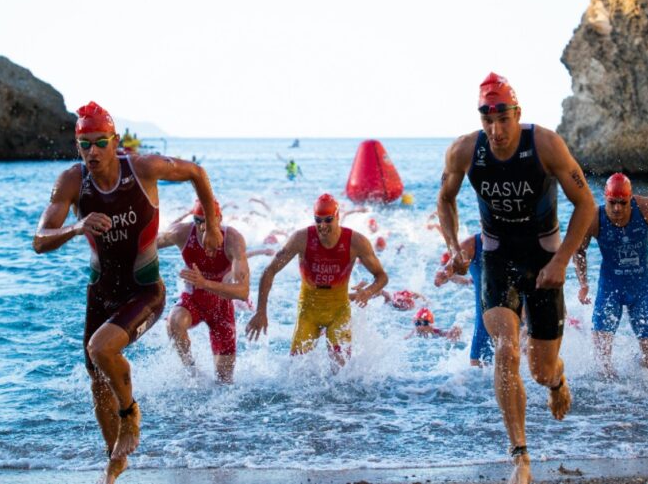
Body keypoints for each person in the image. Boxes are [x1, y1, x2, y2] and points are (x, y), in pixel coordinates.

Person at [32, 102, 222, 484]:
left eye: (101, 142)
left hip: (145, 290)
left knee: (101, 349)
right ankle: (114, 461)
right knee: (96, 377)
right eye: (85, 145)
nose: (93, 152)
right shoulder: (72, 181)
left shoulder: (143, 168)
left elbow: (197, 173)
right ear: (77, 146)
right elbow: (39, 239)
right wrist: (76, 227)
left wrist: (213, 226)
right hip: (100, 292)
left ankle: (130, 414)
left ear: (115, 141)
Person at [436, 73, 596, 484]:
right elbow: (445, 199)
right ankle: (520, 455)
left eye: (503, 119)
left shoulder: (544, 144)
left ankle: (557, 380)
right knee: (506, 349)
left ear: (517, 114)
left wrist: (561, 261)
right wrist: (454, 247)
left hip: (544, 258)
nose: (496, 129)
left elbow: (586, 204)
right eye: (487, 120)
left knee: (540, 370)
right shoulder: (464, 151)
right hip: (497, 256)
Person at [245, 193, 388, 368]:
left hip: (339, 312)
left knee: (342, 374)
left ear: (337, 217)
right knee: (296, 371)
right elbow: (269, 272)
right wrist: (261, 312)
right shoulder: (301, 239)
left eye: (328, 220)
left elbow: (381, 277)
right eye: (318, 220)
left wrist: (367, 292)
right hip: (308, 312)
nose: (322, 225)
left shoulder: (356, 242)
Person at [574, 173, 648, 377]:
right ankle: (613, 404)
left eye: (623, 203)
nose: (617, 208)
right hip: (610, 289)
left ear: (631, 199)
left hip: (641, 290)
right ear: (605, 198)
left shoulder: (647, 209)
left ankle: (633, 367)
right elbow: (578, 250)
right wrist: (583, 283)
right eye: (612, 202)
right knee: (602, 365)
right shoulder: (593, 217)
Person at [157, 199, 249, 383]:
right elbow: (144, 247)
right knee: (174, 321)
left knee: (224, 382)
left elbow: (242, 292)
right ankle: (191, 372)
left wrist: (205, 283)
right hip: (193, 300)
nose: (202, 227)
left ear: (219, 219)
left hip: (222, 307)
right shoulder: (182, 233)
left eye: (208, 220)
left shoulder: (233, 240)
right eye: (198, 220)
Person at [435, 235, 493, 366]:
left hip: (518, 312)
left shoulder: (517, 240)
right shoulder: (471, 244)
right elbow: (450, 267)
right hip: (485, 318)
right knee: (478, 366)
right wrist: (445, 275)